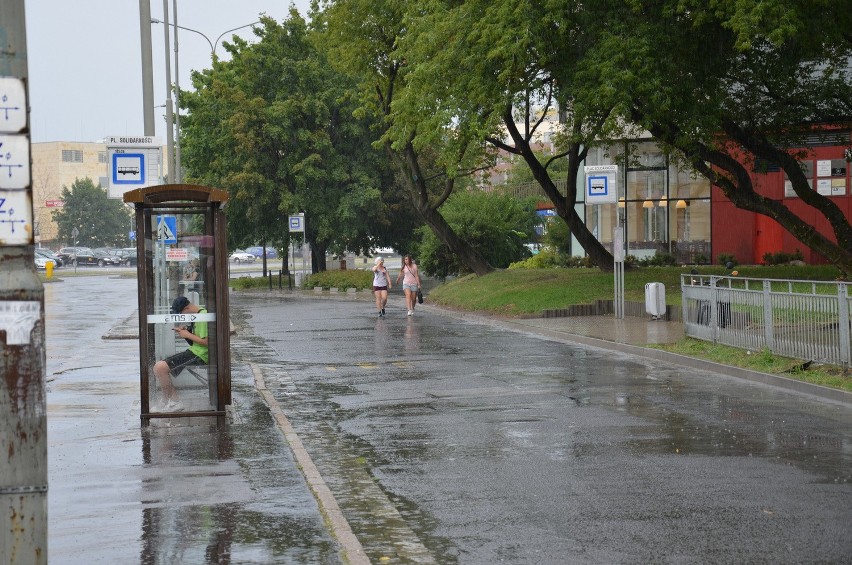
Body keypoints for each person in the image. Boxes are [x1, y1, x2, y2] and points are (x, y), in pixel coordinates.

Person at [152, 296, 208, 412]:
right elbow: (196, 340)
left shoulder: (202, 316)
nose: (182, 317)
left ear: (186, 309)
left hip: (201, 355)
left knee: (160, 367)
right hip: (195, 351)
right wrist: (187, 332)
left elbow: (207, 342)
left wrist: (187, 334)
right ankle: (168, 399)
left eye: (181, 314)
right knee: (159, 367)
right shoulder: (199, 315)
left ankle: (174, 401)